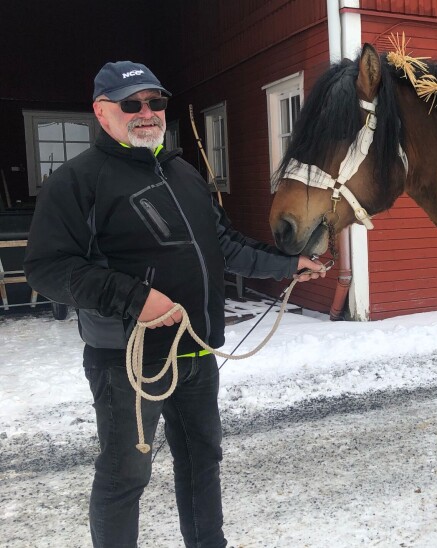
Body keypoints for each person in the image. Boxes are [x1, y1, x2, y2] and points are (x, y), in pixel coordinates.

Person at [24, 61, 325, 548]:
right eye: (131, 104)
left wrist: (289, 266)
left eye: (155, 102)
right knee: (126, 475)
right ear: (102, 113)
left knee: (202, 460)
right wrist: (133, 298)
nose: (146, 112)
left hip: (197, 352)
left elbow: (223, 245)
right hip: (128, 363)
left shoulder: (183, 172)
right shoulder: (76, 182)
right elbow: (47, 268)